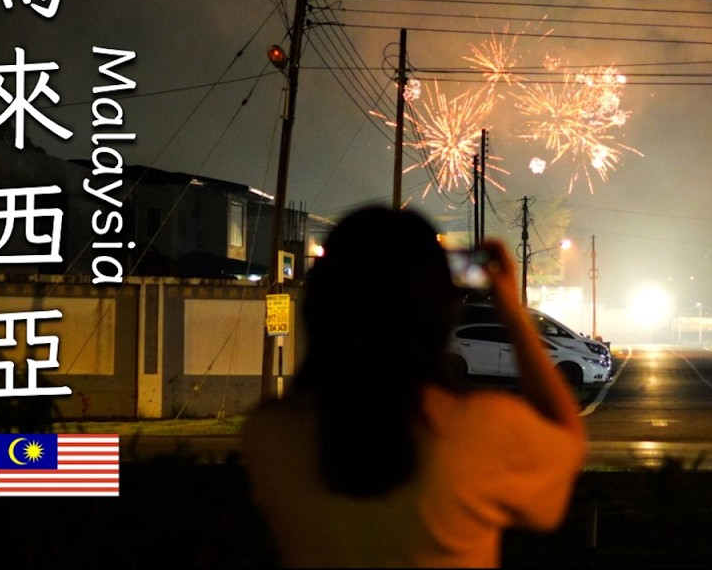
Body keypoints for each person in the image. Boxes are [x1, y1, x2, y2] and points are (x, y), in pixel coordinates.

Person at [240, 206, 587, 568]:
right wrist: (510, 308)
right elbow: (566, 441)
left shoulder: (270, 435)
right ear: (439, 311)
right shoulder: (476, 429)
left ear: (320, 306)